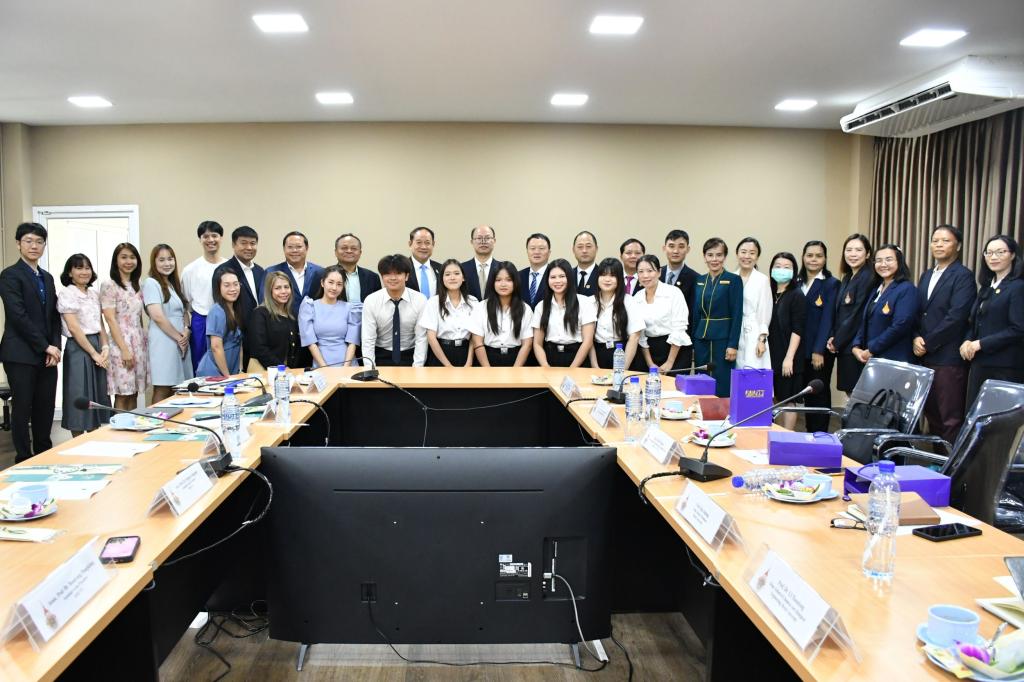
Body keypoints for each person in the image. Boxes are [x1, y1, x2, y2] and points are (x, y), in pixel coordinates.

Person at [0, 223, 62, 461]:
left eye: (39, 242)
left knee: (45, 408)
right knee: (22, 408)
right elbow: (18, 316)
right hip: (20, 354)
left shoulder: (47, 277)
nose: (34, 246)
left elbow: (54, 316)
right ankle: (23, 459)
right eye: (28, 241)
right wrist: (45, 346)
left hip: (48, 355)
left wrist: (55, 347)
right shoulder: (10, 275)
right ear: (18, 244)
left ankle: (44, 456)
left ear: (44, 245)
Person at [913, 225, 976, 444]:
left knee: (950, 417)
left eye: (945, 241)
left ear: (958, 246)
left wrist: (927, 342)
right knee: (932, 415)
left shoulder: (963, 276)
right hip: (924, 357)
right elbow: (918, 311)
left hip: (948, 358)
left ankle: (952, 463)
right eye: (935, 240)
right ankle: (938, 459)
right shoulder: (926, 275)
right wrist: (915, 336)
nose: (939, 245)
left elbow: (957, 317)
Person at [960, 235, 1024, 409]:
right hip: (980, 364)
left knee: (998, 418)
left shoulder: (1017, 287)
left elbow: (1018, 328)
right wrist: (967, 340)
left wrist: (980, 344)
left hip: (1005, 366)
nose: (993, 257)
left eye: (1000, 252)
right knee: (976, 415)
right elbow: (975, 321)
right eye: (989, 253)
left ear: (1012, 255)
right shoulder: (987, 287)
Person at [57, 254, 111, 435]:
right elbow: (73, 327)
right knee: (79, 392)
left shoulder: (94, 294)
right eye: (79, 268)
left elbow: (100, 323)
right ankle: (78, 441)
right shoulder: (67, 293)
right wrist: (93, 354)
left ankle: (95, 439)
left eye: (87, 268)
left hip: (97, 343)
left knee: (98, 393)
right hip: (78, 347)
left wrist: (105, 347)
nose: (84, 272)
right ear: (70, 272)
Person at [691, 238, 743, 397]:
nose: (714, 259)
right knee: (702, 378)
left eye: (719, 255)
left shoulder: (734, 280)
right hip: (701, 338)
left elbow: (737, 313)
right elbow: (695, 313)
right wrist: (693, 342)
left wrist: (733, 344)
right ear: (704, 257)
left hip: (723, 339)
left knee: (722, 380)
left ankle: (722, 411)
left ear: (725, 257)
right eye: (710, 255)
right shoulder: (700, 280)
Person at [100, 243, 149, 412]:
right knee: (123, 393)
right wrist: (124, 349)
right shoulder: (109, 285)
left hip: (138, 341)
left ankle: (132, 425)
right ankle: (119, 427)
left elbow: (139, 316)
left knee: (134, 392)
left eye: (132, 257)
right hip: (120, 342)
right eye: (124, 257)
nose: (128, 261)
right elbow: (110, 319)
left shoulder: (138, 285)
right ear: (116, 261)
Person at [851, 244, 919, 364]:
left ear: (899, 262)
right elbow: (866, 320)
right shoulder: (876, 289)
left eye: (888, 259)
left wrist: (872, 348)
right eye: (878, 260)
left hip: (893, 358)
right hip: (872, 358)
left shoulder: (906, 289)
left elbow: (900, 325)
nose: (883, 264)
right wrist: (856, 346)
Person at [797, 240, 840, 431]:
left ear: (825, 259)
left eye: (819, 256)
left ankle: (820, 435)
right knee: (806, 394)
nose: (813, 259)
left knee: (819, 394)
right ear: (803, 257)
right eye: (809, 255)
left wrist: (819, 350)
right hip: (799, 350)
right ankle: (809, 433)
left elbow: (828, 319)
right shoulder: (797, 283)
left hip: (818, 351)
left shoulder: (831, 284)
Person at [143, 244, 192, 403]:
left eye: (170, 259)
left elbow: (184, 311)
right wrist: (179, 338)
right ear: (154, 262)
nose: (167, 263)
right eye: (162, 260)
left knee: (178, 387)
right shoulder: (151, 283)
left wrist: (186, 330)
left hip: (180, 339)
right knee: (163, 387)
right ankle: (156, 418)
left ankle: (172, 417)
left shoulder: (172, 284)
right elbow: (157, 316)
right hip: (164, 340)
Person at [827, 234, 874, 396]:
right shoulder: (847, 277)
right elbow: (840, 312)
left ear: (868, 254)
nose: (853, 254)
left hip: (857, 345)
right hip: (844, 343)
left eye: (858, 250)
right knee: (850, 392)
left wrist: (837, 340)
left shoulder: (869, 277)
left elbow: (857, 314)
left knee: (858, 394)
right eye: (849, 250)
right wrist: (834, 336)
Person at [361, 255, 428, 367]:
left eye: (398, 273)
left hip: (411, 354)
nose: (393, 278)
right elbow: (368, 339)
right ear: (382, 277)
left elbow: (421, 338)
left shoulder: (420, 300)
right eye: (387, 274)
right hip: (380, 354)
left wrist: (417, 368)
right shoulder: (371, 300)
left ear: (407, 276)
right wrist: (370, 368)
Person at [213, 226, 265, 368]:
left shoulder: (260, 271)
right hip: (236, 338)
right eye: (243, 243)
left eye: (253, 243)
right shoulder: (224, 270)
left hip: (258, 336)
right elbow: (220, 303)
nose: (249, 247)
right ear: (233, 244)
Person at [180, 220, 227, 371]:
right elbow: (185, 300)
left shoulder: (229, 266)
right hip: (201, 321)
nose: (211, 240)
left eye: (214, 235)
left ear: (221, 238)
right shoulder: (190, 270)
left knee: (226, 361)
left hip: (227, 319)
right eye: (206, 236)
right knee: (201, 364)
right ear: (200, 239)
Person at [532, 259, 597, 368]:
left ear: (569, 278)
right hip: (550, 357)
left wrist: (572, 368)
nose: (557, 281)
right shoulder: (541, 306)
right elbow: (537, 343)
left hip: (578, 358)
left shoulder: (584, 303)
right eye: (553, 277)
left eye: (562, 276)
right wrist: (545, 366)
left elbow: (588, 341)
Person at [767, 252, 806, 430]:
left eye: (787, 267)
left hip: (788, 355)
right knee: (775, 398)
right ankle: (777, 434)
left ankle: (787, 436)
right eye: (778, 266)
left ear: (794, 271)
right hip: (771, 354)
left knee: (788, 400)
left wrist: (789, 358)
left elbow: (798, 329)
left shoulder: (797, 295)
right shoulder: (769, 292)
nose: (781, 270)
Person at [469, 261, 534, 367]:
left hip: (516, 359)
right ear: (492, 283)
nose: (503, 284)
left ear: (515, 282)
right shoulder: (481, 307)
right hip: (488, 358)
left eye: (508, 280)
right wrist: (487, 369)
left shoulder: (525, 309)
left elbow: (527, 344)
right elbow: (477, 342)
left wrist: (516, 370)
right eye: (498, 280)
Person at [633, 255, 690, 373]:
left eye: (650, 271)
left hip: (675, 349)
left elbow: (679, 328)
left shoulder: (674, 293)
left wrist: (669, 362)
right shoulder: (637, 297)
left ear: (659, 272)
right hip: (648, 351)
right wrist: (650, 363)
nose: (645, 275)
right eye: (641, 272)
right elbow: (640, 334)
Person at [299, 265, 362, 368]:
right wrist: (325, 368)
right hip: (321, 365)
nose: (334, 288)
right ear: (322, 283)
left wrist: (346, 368)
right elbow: (310, 343)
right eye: (330, 282)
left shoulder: (350, 309)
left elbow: (352, 342)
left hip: (348, 364)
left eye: (339, 284)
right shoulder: (309, 307)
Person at [418, 259, 478, 367]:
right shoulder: (433, 302)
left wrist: (469, 362)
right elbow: (431, 337)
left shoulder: (473, 302)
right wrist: (448, 365)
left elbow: (475, 336)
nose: (452, 277)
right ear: (442, 279)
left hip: (466, 353)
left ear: (463, 277)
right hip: (440, 354)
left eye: (456, 273)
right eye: (447, 274)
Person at [247, 271, 310, 370]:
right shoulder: (260, 313)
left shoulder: (292, 315)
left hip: (288, 372)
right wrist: (282, 368)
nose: (283, 291)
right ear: (270, 291)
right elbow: (259, 348)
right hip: (265, 370)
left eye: (286, 287)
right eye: (278, 288)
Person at [589, 258, 644, 369]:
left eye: (612, 276)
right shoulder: (589, 302)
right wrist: (595, 366)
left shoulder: (629, 301)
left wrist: (622, 369)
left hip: (622, 352)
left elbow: (634, 337)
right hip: (596, 354)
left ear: (619, 279)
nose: (607, 279)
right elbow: (587, 338)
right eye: (603, 275)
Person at [195, 270, 244, 377]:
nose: (233, 289)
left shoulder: (236, 309)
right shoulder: (217, 311)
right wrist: (227, 376)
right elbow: (216, 347)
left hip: (232, 371)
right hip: (214, 372)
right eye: (227, 285)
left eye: (236, 284)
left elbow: (239, 343)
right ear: (218, 288)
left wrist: (240, 370)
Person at [660, 229, 698, 367]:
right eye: (671, 246)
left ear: (688, 249)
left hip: (682, 346)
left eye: (681, 246)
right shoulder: (654, 274)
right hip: (657, 345)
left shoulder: (695, 279)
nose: (676, 251)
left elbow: (694, 315)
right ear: (664, 248)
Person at [264, 231, 324, 316]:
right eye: (290, 247)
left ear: (307, 248)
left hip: (314, 321)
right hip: (281, 321)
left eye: (299, 247)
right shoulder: (271, 272)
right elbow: (265, 302)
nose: (294, 250)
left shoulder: (320, 272)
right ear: (284, 249)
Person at [734, 237, 772, 369]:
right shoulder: (731, 278)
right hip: (735, 332)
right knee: (735, 373)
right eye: (743, 252)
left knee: (754, 371)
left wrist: (762, 339)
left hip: (755, 333)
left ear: (757, 257)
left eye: (752, 253)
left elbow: (765, 311)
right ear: (737, 254)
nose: (747, 256)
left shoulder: (762, 280)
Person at [334, 233, 381, 303]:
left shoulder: (372, 277)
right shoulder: (324, 275)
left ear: (360, 252)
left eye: (354, 248)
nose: (349, 251)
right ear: (336, 252)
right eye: (344, 248)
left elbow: (378, 304)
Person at [461, 224, 497, 300]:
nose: (483, 242)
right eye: (479, 238)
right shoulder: (461, 269)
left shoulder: (502, 269)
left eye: (487, 238)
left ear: (494, 241)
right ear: (472, 242)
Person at [406, 226, 443, 297]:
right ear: (410, 244)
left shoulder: (441, 269)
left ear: (433, 244)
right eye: (419, 242)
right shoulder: (401, 268)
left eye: (427, 243)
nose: (423, 247)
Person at [519, 233, 550, 308]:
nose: (536, 252)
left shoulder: (555, 276)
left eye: (541, 248)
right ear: (527, 251)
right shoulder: (518, 276)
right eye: (532, 248)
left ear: (549, 252)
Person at [571, 231, 599, 296]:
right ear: (573, 250)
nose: (584, 251)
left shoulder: (603, 275)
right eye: (580, 247)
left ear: (596, 249)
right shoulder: (568, 275)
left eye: (588, 246)